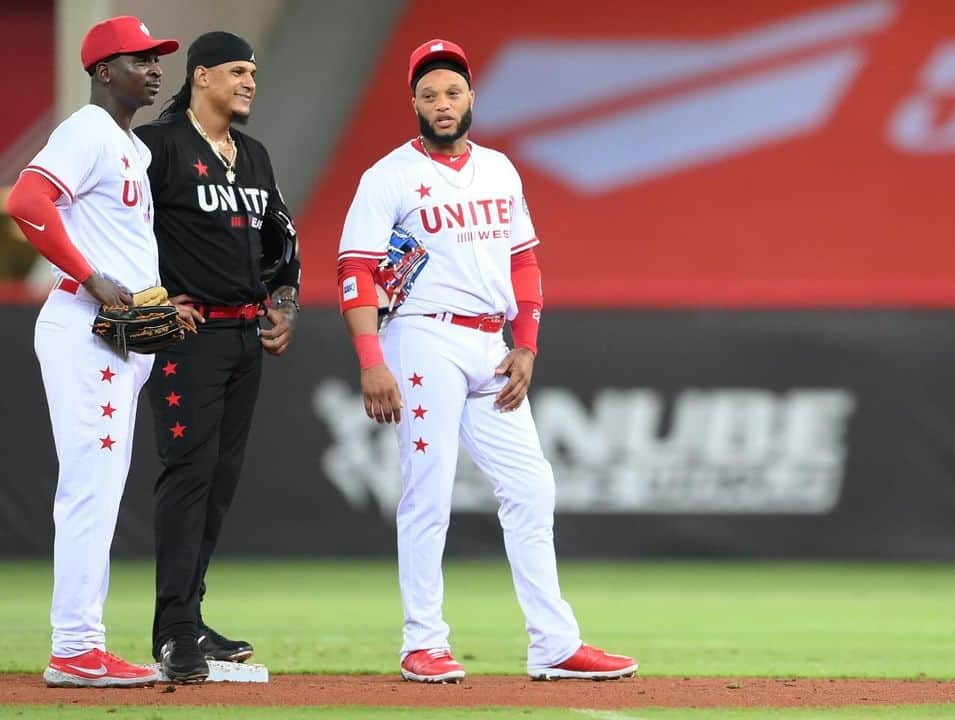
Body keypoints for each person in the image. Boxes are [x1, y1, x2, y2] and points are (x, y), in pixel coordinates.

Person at [337, 38, 638, 683]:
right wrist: (371, 359)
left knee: (531, 486)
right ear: (413, 103)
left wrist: (524, 343)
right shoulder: (388, 175)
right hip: (423, 336)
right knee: (429, 489)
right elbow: (356, 270)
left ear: (471, 96)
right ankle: (423, 641)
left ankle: (554, 643)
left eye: (451, 91)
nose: (441, 104)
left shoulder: (500, 169)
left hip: (490, 343)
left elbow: (523, 260)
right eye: (428, 94)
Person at [5, 16, 186, 688]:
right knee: (90, 489)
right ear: (104, 72)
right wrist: (89, 275)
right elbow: (28, 200)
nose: (155, 67)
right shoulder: (85, 131)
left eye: (157, 57)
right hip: (86, 326)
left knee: (100, 489)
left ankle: (81, 643)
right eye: (140, 58)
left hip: (119, 335)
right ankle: (76, 647)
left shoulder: (129, 149)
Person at [134, 31, 300, 682]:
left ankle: (190, 617)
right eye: (237, 71)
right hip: (185, 336)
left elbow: (281, 237)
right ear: (201, 77)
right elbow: (114, 226)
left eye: (253, 72)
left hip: (241, 338)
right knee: (188, 478)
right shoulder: (157, 146)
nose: (250, 81)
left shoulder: (252, 156)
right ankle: (173, 631)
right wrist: (147, 305)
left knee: (218, 486)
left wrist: (282, 303)